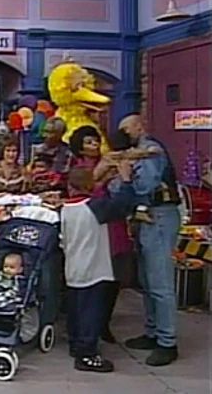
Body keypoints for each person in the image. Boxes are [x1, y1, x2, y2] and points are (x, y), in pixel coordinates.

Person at [117, 113, 181, 366]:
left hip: (160, 215)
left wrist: (126, 177)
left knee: (160, 281)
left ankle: (167, 341)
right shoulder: (135, 153)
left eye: (126, 129)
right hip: (146, 217)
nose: (123, 134)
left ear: (139, 126)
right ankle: (153, 331)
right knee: (146, 280)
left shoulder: (151, 151)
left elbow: (145, 185)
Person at [61, 163, 135, 373]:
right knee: (91, 313)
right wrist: (126, 180)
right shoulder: (95, 207)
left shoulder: (66, 208)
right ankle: (87, 354)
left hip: (73, 267)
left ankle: (76, 345)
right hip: (94, 268)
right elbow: (123, 205)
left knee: (76, 311)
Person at [69, 125, 132, 344]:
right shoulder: (78, 167)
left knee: (114, 277)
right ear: (80, 147)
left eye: (96, 140)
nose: (94, 145)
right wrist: (101, 177)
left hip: (114, 226)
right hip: (93, 228)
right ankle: (90, 329)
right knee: (95, 283)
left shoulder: (109, 160)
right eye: (88, 142)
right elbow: (81, 192)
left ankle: (104, 323)